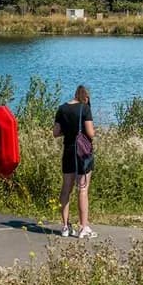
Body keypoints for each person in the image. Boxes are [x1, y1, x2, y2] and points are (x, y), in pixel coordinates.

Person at [53, 85, 96, 238]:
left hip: (68, 151)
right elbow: (90, 133)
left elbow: (56, 133)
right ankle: (83, 227)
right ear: (86, 97)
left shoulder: (62, 109)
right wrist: (93, 132)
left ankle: (65, 226)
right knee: (82, 189)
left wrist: (69, 131)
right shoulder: (85, 108)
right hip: (82, 154)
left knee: (66, 189)